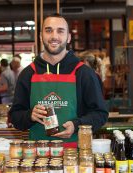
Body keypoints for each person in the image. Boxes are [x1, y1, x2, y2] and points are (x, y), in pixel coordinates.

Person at [9, 14, 108, 144]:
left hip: (75, 155)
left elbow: (100, 114)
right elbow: (15, 117)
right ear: (40, 36)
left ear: (68, 38)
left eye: (60, 31)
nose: (54, 36)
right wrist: (29, 116)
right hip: (37, 155)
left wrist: (77, 125)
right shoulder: (28, 74)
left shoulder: (84, 73)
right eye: (48, 30)